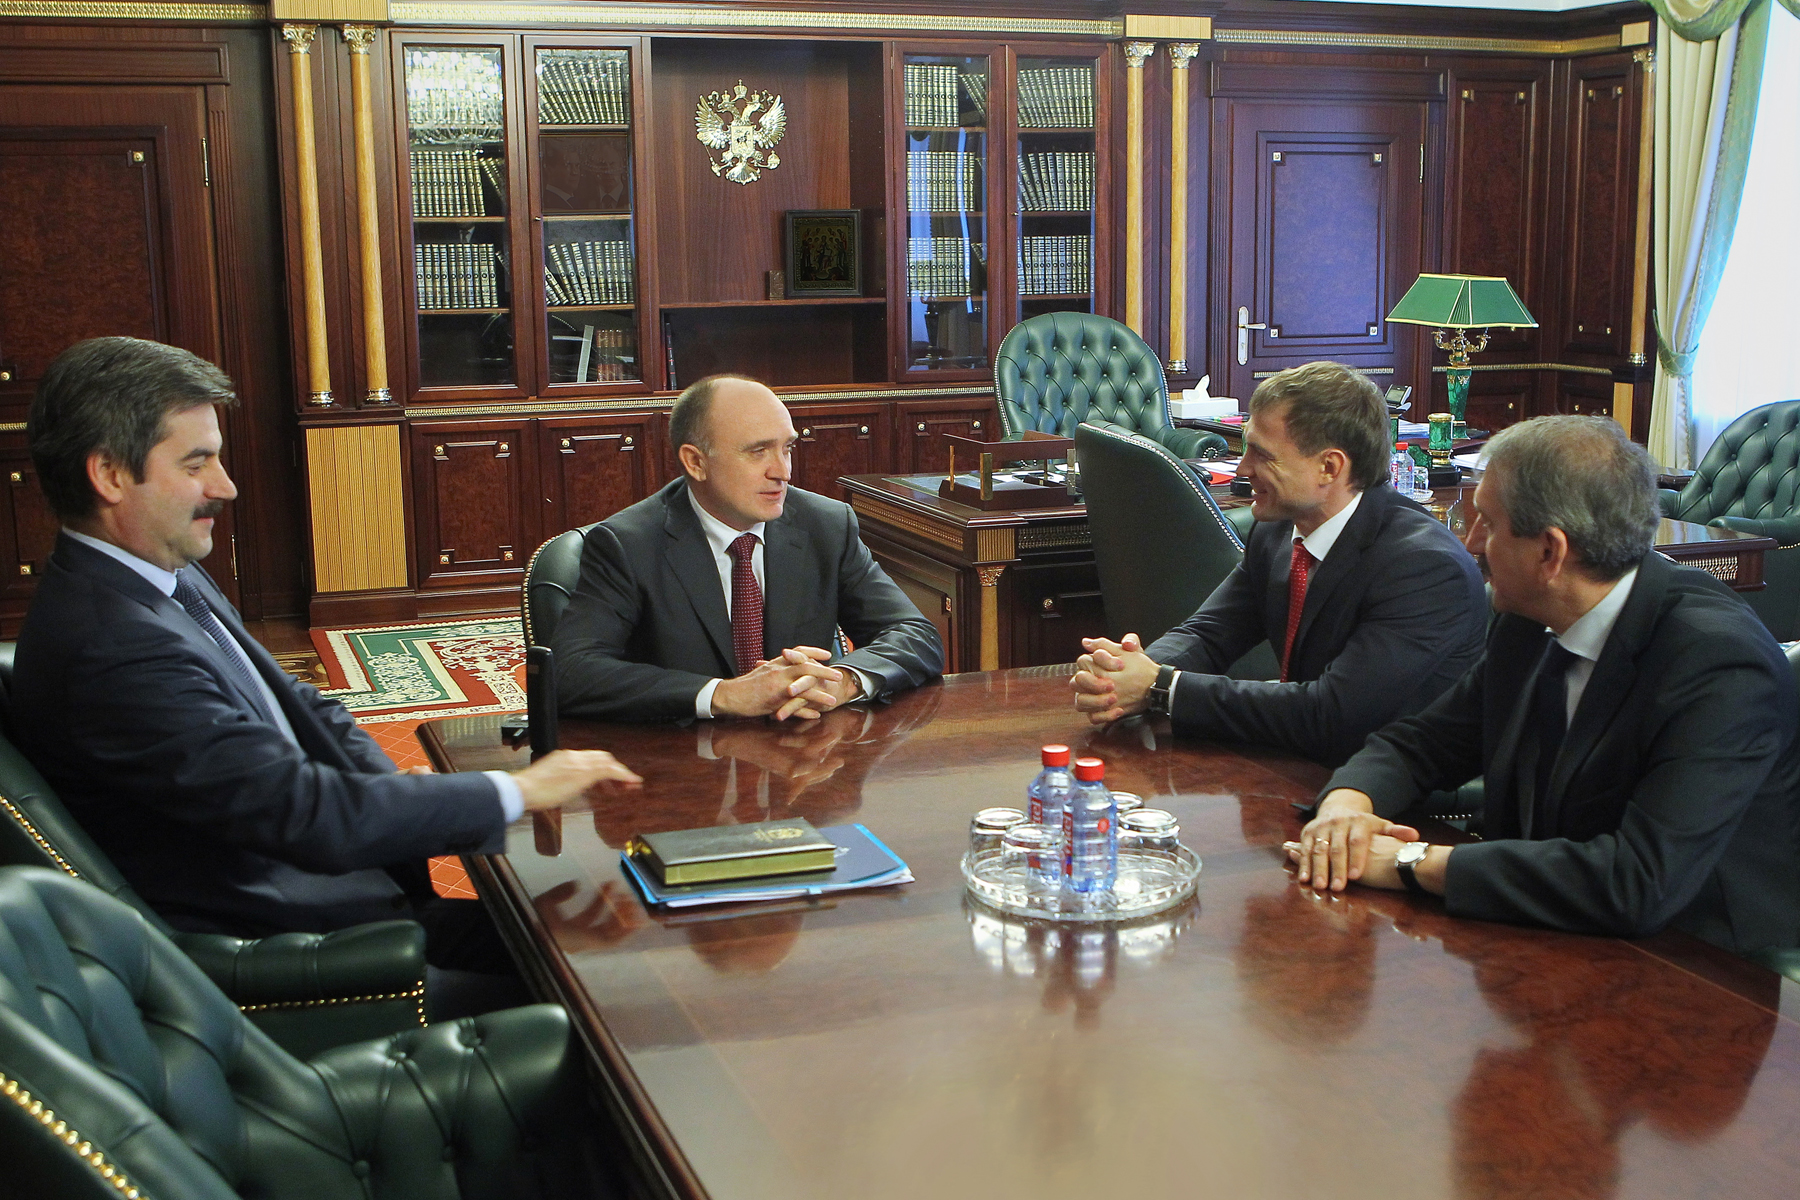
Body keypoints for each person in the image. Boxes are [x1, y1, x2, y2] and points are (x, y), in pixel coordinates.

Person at [9, 337, 642, 969]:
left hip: (343, 896)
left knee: (603, 928)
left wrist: (387, 788)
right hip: (306, 957)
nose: (225, 487)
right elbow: (304, 814)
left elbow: (298, 704)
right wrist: (516, 789)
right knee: (615, 963)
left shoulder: (157, 575)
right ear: (110, 475)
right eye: (196, 464)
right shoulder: (113, 648)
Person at [1289, 415, 1800, 957]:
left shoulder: (1718, 665)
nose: (1471, 542)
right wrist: (1347, 808)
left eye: (1488, 523)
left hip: (1702, 963)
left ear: (1550, 553)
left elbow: (1638, 881)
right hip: (1541, 930)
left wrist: (1409, 862)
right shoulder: (1530, 618)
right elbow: (1420, 743)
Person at [1071, 361, 1487, 766]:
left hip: (1394, 790)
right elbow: (1209, 635)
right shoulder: (1276, 531)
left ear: (1329, 467)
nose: (1242, 468)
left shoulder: (1424, 568)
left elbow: (1332, 715)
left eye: (1261, 455)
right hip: (1298, 763)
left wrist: (1161, 687)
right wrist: (1124, 674)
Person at [552, 374, 943, 722]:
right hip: (684, 762)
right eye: (758, 452)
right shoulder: (628, 544)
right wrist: (723, 695)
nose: (783, 472)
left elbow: (914, 634)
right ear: (695, 462)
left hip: (803, 761)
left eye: (787, 449)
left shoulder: (825, 525)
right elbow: (570, 672)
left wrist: (843, 681)